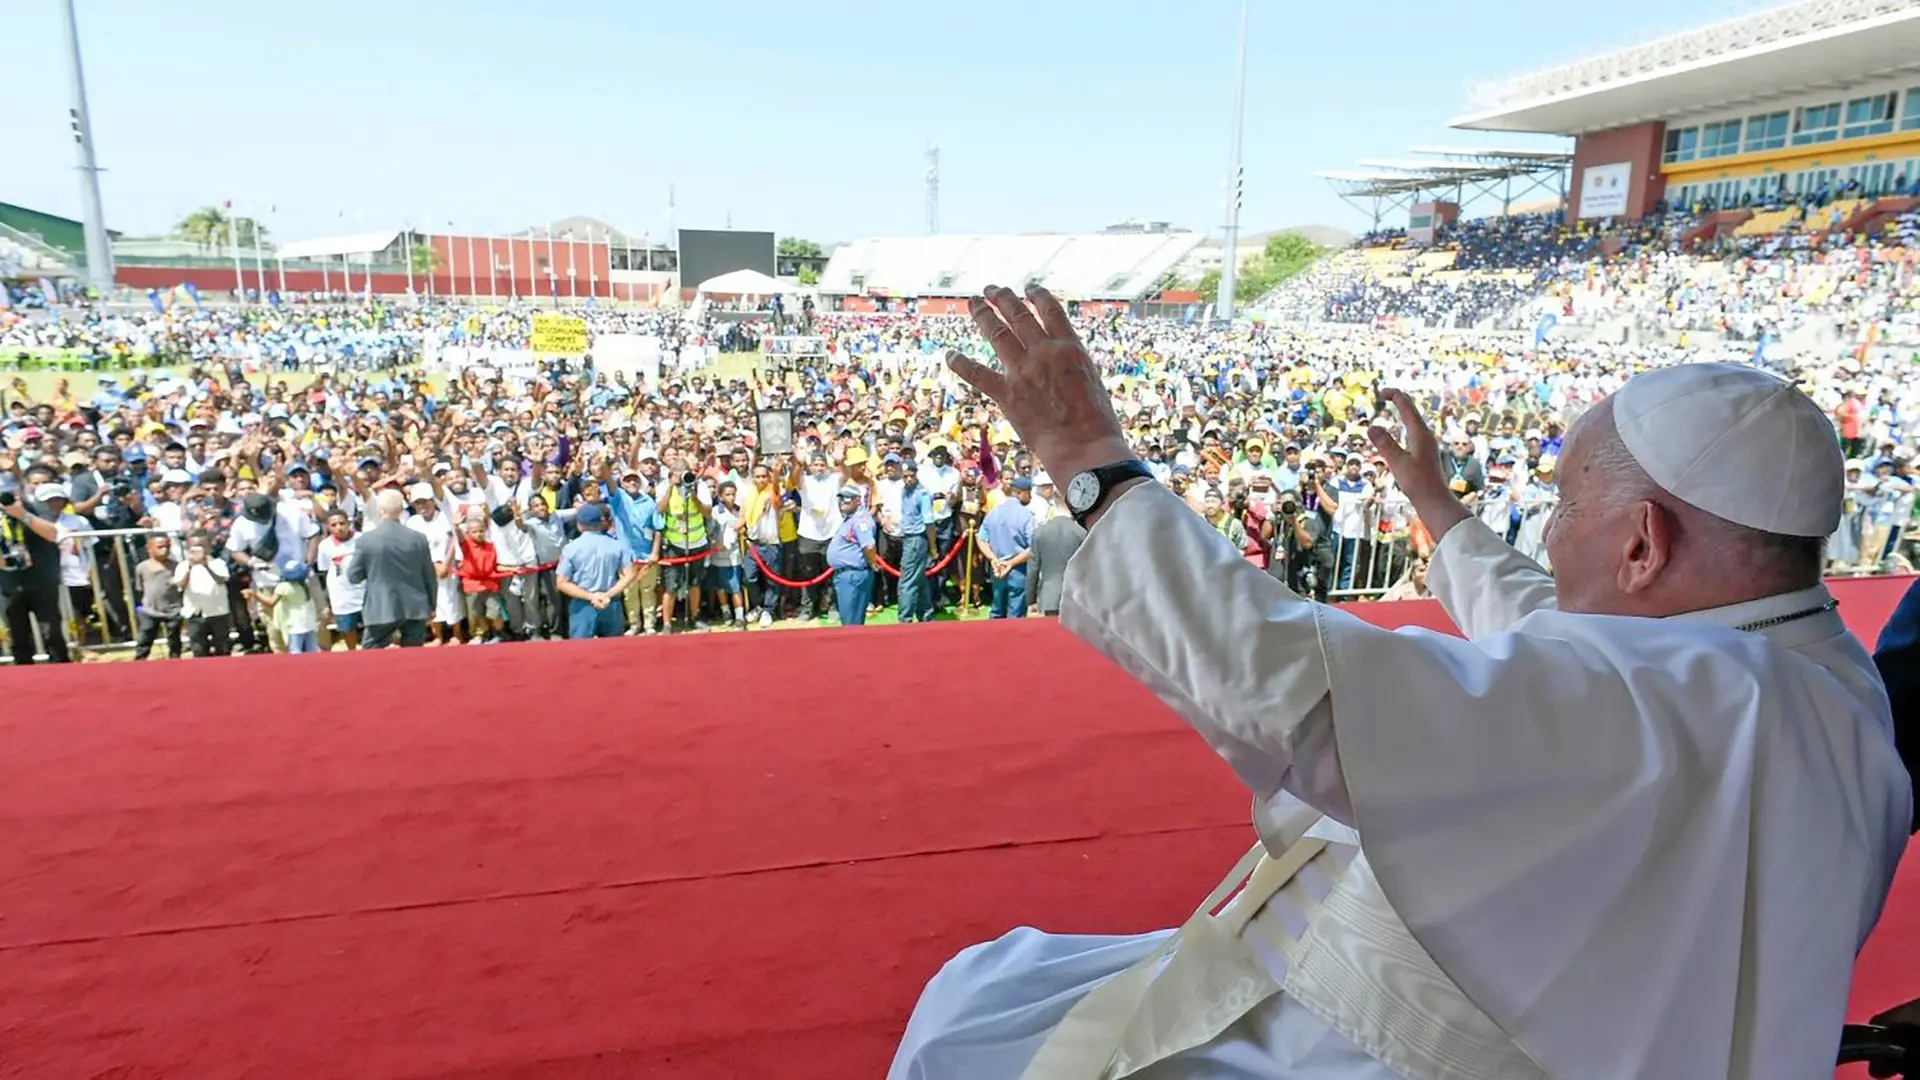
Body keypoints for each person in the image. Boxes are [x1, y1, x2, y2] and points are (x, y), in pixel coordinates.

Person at [889, 285, 1911, 1080]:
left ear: (1643, 543)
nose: (1550, 533)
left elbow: (1296, 690)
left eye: (1563, 505)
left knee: (973, 1023)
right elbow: (1549, 630)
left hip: (1397, 1045)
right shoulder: (1818, 674)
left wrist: (1089, 461)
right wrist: (1437, 509)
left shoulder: (1660, 697)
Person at [347, 488, 438, 649]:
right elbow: (429, 575)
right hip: (415, 605)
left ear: (380, 510)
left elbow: (354, 576)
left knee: (372, 653)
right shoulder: (418, 538)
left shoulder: (366, 540)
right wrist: (431, 604)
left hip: (380, 605)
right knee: (414, 654)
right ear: (402, 510)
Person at [0, 478, 70, 664]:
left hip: (41, 579)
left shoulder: (37, 508)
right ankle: (25, 673)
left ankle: (61, 668)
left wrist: (22, 514)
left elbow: (52, 534)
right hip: (8, 582)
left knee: (51, 631)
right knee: (17, 635)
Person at [556, 502, 636, 639]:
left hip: (583, 605)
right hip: (611, 603)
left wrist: (592, 597)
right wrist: (607, 595)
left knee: (581, 649)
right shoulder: (618, 545)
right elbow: (629, 575)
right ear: (600, 523)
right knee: (613, 648)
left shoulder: (571, 548)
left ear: (579, 525)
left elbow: (562, 583)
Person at [977, 475, 1035, 619]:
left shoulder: (994, 512)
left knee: (997, 612)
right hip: (1018, 570)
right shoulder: (1026, 515)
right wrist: (1011, 563)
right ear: (1020, 492)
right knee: (1015, 616)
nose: (1031, 496)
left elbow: (981, 538)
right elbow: (1034, 547)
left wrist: (993, 559)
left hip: (997, 569)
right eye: (1029, 492)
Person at [825, 484, 880, 626]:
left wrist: (872, 562)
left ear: (858, 500)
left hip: (853, 575)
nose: (843, 502)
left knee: (851, 621)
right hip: (846, 575)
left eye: (847, 498)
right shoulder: (850, 518)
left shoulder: (861, 520)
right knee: (849, 619)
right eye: (841, 498)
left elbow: (869, 545)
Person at [896, 460, 937, 623]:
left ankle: (905, 619)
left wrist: (932, 547)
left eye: (911, 476)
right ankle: (926, 614)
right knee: (919, 578)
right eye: (905, 476)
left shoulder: (923, 494)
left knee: (907, 581)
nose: (908, 479)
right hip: (908, 537)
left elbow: (929, 523)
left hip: (917, 538)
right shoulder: (904, 491)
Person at [1024, 509, 1086, 618]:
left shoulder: (1040, 532)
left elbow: (1033, 570)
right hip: (1075, 597)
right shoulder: (1081, 532)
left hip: (1048, 597)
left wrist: (1030, 600)